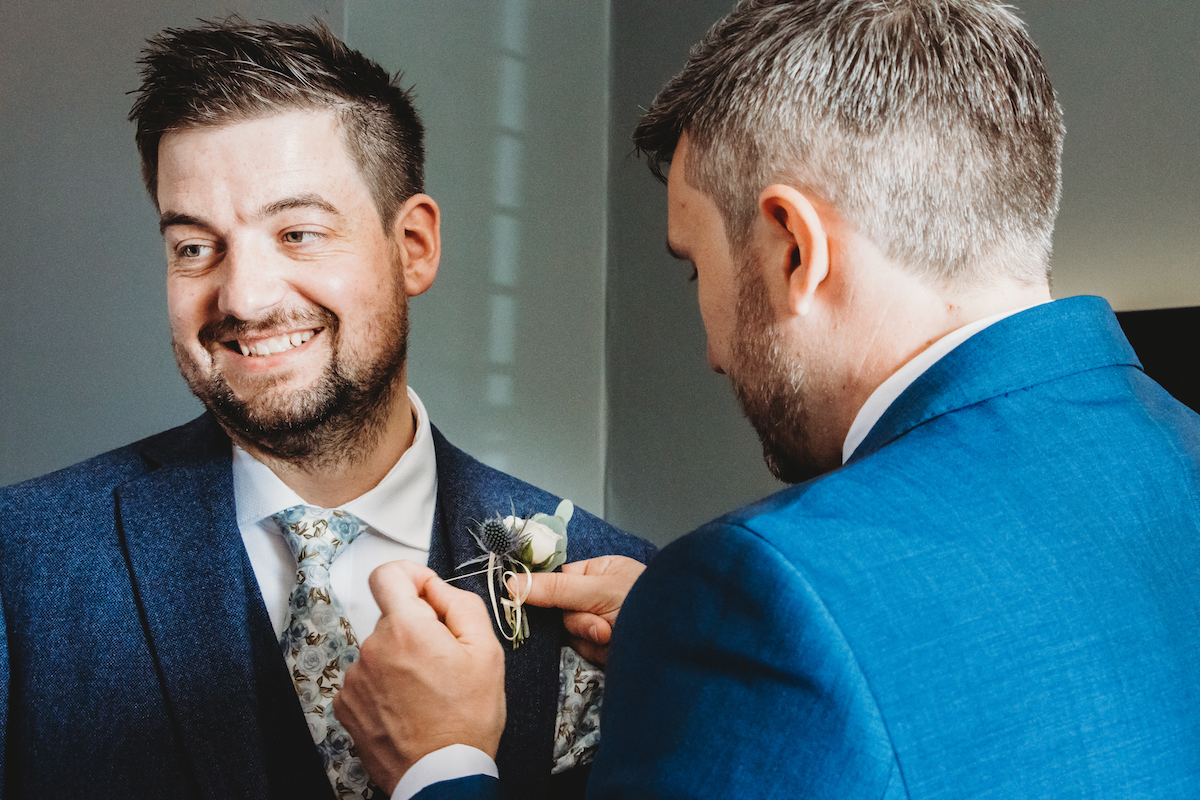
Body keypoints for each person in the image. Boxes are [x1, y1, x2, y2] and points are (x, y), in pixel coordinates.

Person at [333, 0, 1200, 797]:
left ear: (794, 249)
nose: (711, 354)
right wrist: (724, 675)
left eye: (695, 266)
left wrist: (437, 764)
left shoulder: (764, 587)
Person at [0, 18, 654, 800]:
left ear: (412, 246)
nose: (243, 296)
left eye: (298, 232)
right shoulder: (20, 567)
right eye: (194, 247)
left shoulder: (635, 609)